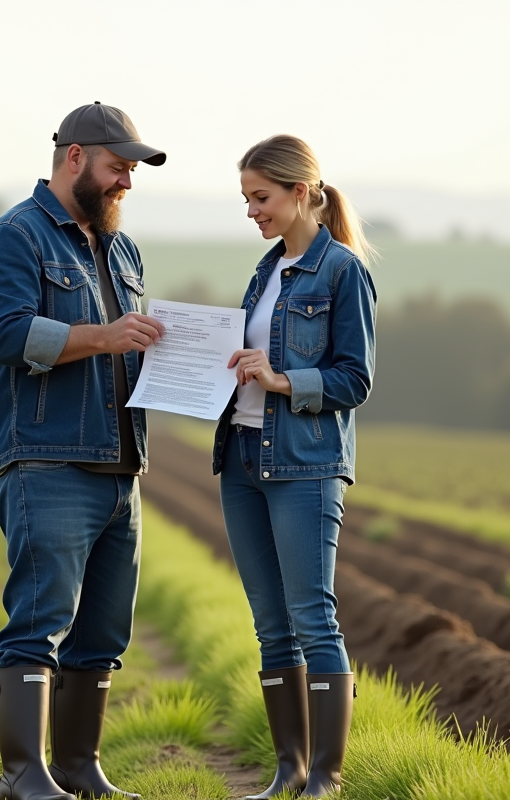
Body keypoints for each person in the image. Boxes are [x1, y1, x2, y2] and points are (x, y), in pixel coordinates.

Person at [0, 102, 166, 800]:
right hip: (47, 461)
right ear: (75, 157)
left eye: (134, 173)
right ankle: (26, 775)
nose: (127, 185)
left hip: (122, 467)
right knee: (39, 621)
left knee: (104, 632)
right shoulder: (14, 239)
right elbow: (9, 336)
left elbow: (134, 349)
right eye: (119, 168)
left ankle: (79, 769)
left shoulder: (124, 251)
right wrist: (104, 337)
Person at [212, 134, 377, 799]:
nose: (253, 211)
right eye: (246, 200)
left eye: (262, 198)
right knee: (270, 624)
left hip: (306, 466)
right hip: (243, 459)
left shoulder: (343, 271)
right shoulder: (265, 270)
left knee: (314, 618)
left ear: (302, 192)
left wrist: (281, 381)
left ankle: (326, 780)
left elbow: (354, 379)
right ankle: (289, 772)